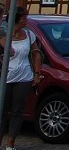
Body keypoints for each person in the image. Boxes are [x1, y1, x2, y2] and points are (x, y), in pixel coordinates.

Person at [0, 8, 41, 150]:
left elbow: (36, 53)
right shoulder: (3, 35)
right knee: (2, 110)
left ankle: (10, 143)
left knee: (18, 110)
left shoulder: (29, 35)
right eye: (24, 18)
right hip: (5, 77)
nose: (26, 20)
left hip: (24, 76)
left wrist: (36, 73)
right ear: (16, 20)